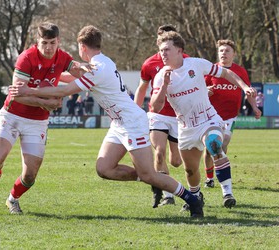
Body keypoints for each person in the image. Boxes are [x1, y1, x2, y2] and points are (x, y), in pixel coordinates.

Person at [12, 25, 204, 217]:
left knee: (148, 174)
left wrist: (29, 90)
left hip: (131, 122)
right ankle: (153, 181)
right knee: (104, 168)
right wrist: (45, 75)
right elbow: (70, 77)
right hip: (119, 123)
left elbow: (64, 90)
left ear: (82, 47)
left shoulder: (98, 68)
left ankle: (192, 199)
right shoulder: (101, 63)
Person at [0, 22, 93, 214]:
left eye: (52, 43)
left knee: (30, 175)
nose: (48, 48)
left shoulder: (63, 57)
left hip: (38, 122)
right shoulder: (26, 58)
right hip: (12, 114)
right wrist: (46, 102)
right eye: (44, 43)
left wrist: (91, 68)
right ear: (37, 42)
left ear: (59, 42)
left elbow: (76, 71)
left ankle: (12, 199)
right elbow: (18, 95)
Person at [150, 31, 256, 209]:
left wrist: (245, 87)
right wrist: (165, 86)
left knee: (215, 145)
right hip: (186, 128)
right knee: (190, 171)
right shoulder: (161, 76)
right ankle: (196, 195)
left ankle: (227, 193)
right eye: (161, 50)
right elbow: (156, 106)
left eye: (167, 49)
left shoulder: (196, 64)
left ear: (179, 50)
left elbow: (226, 73)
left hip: (208, 119)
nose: (163, 54)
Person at [134, 24, 185, 208]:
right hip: (157, 115)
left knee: (176, 161)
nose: (162, 43)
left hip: (179, 116)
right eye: (160, 39)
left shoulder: (186, 61)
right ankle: (167, 194)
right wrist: (133, 111)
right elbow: (141, 89)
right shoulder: (149, 64)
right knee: (159, 152)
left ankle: (172, 185)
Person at [203, 39, 261, 188]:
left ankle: (221, 174)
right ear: (218, 53)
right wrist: (205, 91)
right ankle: (209, 178)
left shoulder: (240, 71)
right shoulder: (211, 70)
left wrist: (254, 107)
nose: (224, 53)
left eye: (227, 50)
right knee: (210, 149)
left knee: (223, 144)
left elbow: (247, 91)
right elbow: (199, 90)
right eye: (221, 50)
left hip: (230, 116)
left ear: (233, 54)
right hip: (210, 116)